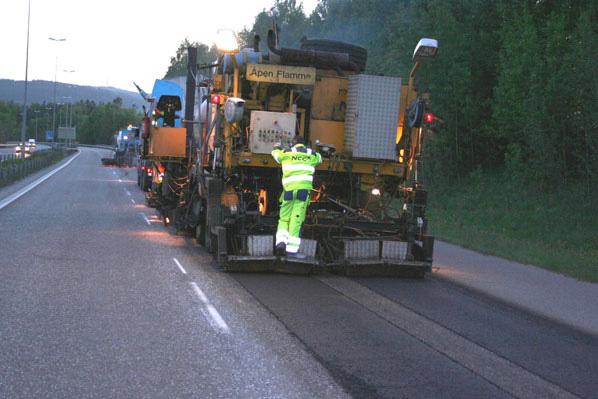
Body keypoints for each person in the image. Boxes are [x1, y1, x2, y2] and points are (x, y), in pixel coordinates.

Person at [271, 135, 322, 257]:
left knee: (284, 218)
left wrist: (277, 147)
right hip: (302, 192)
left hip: (288, 191)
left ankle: (281, 242)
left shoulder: (286, 153)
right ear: (305, 144)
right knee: (296, 219)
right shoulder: (311, 154)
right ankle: (291, 250)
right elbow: (320, 159)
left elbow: (275, 154)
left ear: (293, 144)